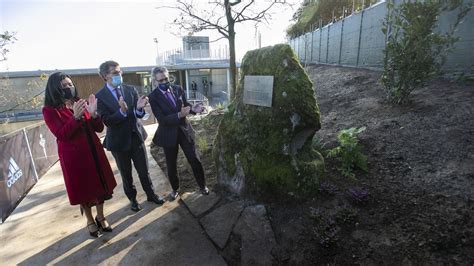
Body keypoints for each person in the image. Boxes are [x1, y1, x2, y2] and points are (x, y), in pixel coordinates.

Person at [42, 72, 117, 237]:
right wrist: (75, 117)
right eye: (64, 86)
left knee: (101, 186)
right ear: (55, 89)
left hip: (93, 151)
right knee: (85, 190)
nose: (69, 87)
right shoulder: (50, 111)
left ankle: (101, 216)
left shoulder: (79, 102)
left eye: (70, 84)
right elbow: (61, 134)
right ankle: (90, 220)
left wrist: (95, 114)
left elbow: (98, 128)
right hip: (74, 158)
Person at [95, 60, 164, 212]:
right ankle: (133, 200)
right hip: (119, 143)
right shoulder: (99, 97)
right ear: (105, 76)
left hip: (135, 137)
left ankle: (151, 194)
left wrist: (139, 109)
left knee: (144, 171)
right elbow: (107, 121)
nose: (119, 75)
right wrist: (121, 111)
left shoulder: (130, 89)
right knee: (126, 175)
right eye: (114, 73)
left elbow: (137, 113)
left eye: (120, 71)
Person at [148, 66, 209, 200]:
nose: (164, 82)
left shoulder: (178, 89)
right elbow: (162, 119)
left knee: (194, 159)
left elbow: (185, 106)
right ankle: (175, 189)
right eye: (161, 81)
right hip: (168, 134)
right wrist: (178, 114)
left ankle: (202, 185)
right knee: (171, 164)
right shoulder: (153, 97)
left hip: (184, 130)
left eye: (166, 78)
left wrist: (194, 109)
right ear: (155, 81)